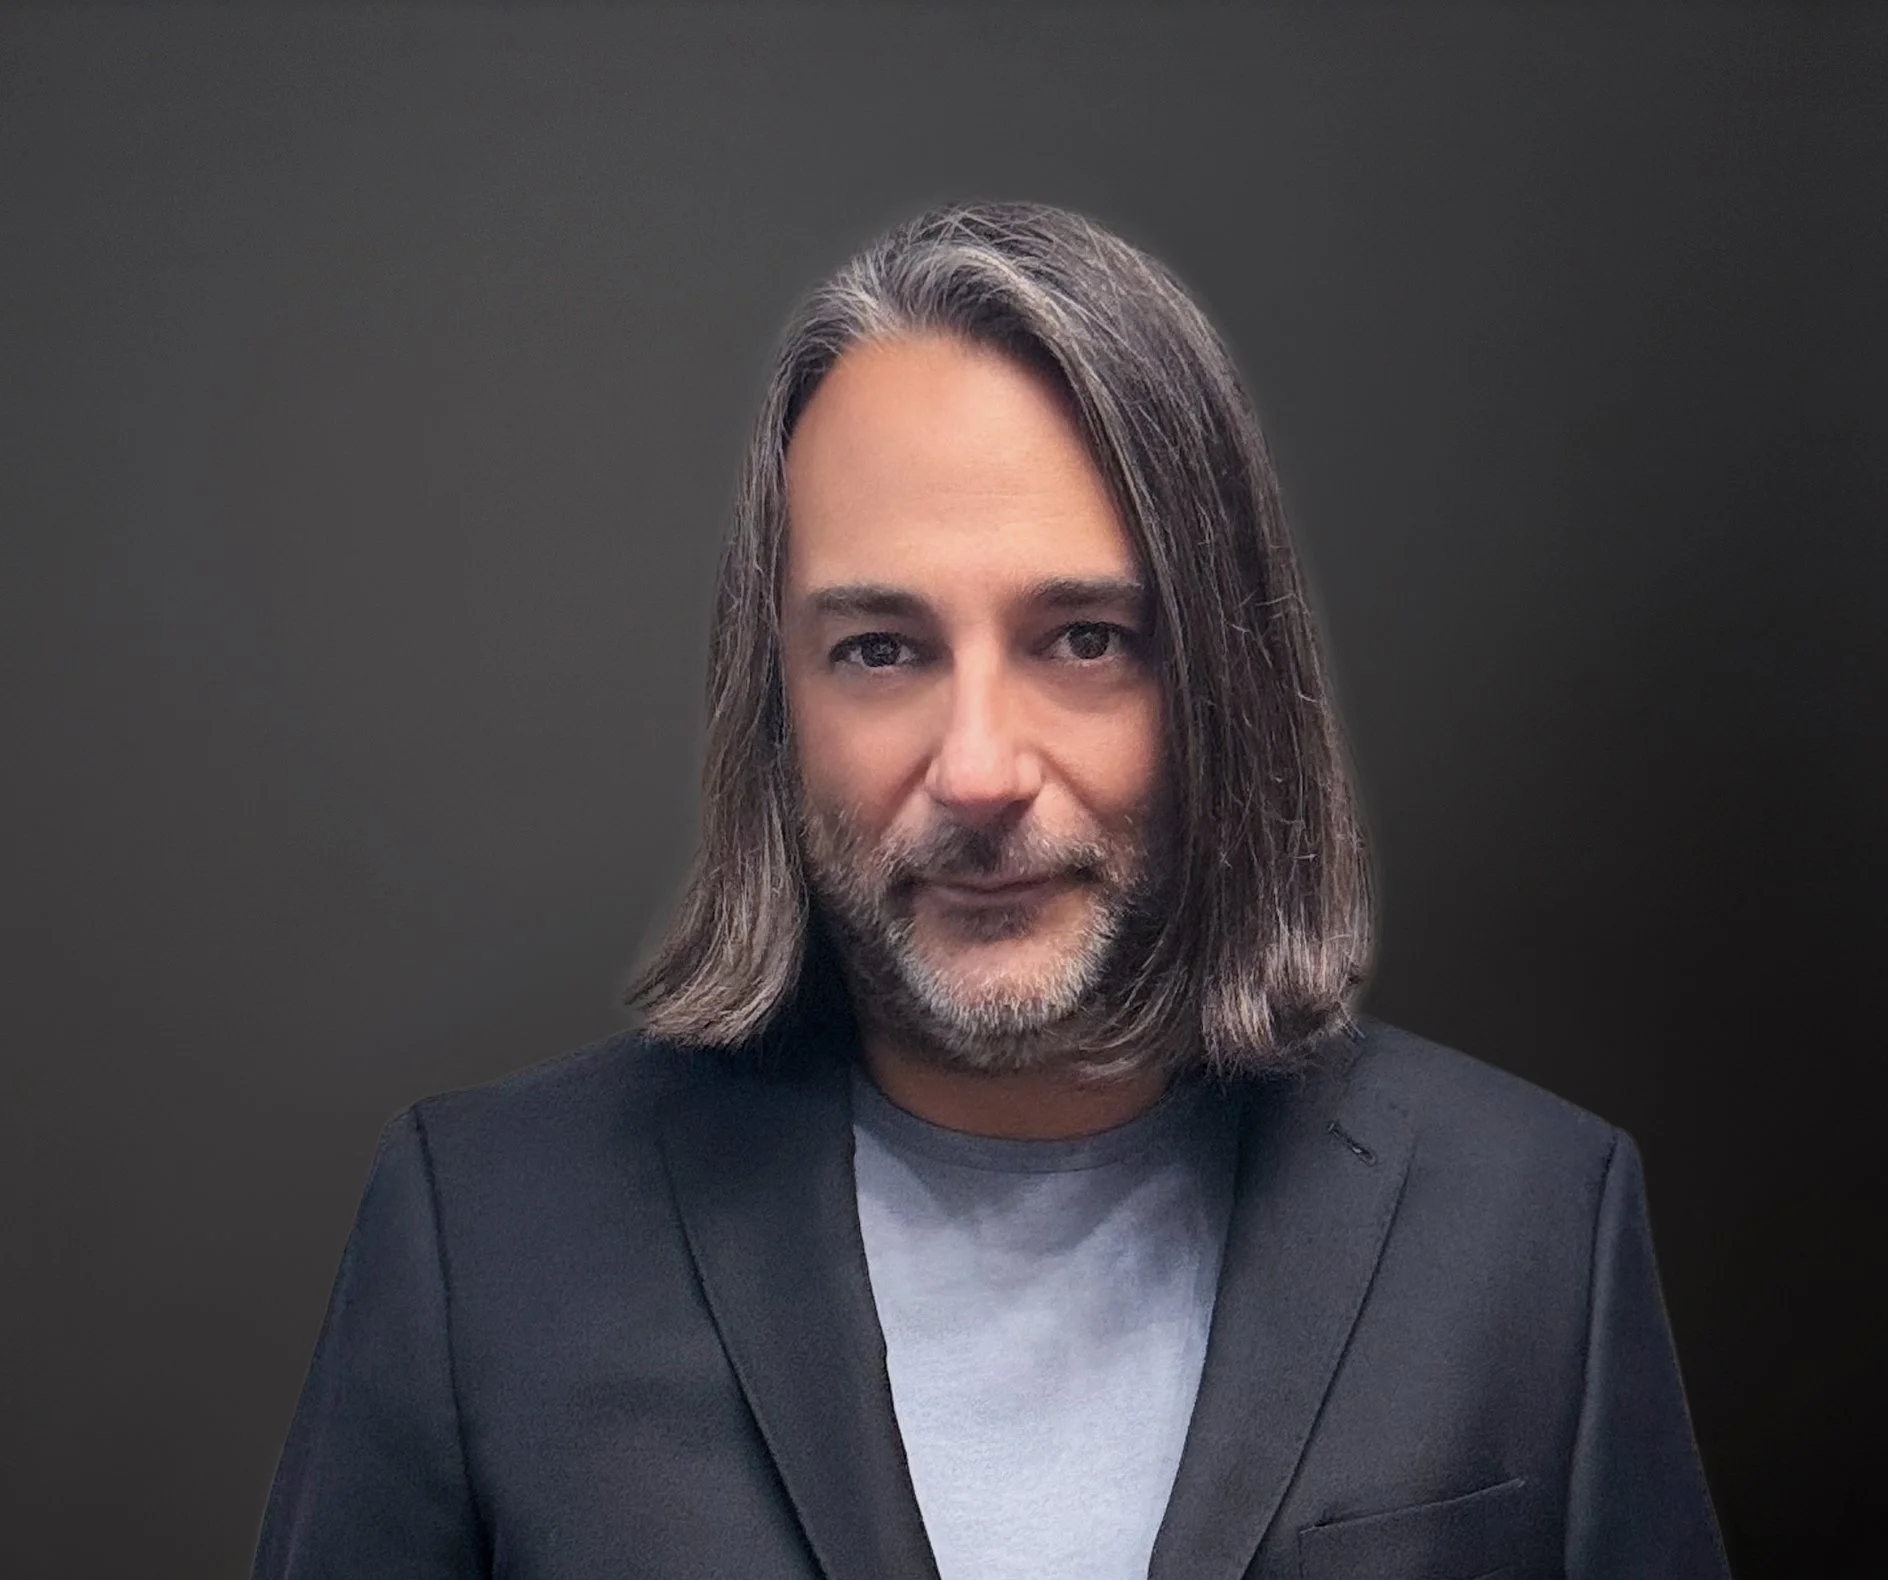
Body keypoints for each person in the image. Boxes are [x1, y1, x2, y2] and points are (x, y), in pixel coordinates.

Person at [253, 201, 1728, 1579]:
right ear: (775, 703)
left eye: (1083, 638)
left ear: (1229, 674)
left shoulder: (1534, 1226)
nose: (977, 769)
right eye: (881, 648)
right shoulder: (487, 1238)